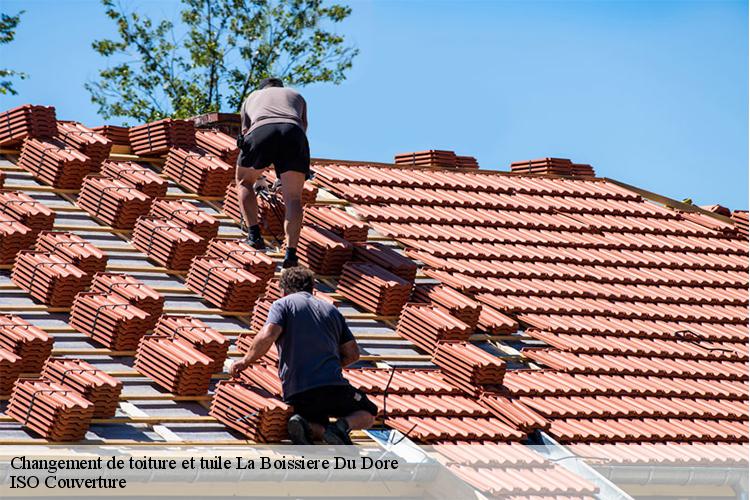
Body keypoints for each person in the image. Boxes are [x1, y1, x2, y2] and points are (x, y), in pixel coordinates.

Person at [230, 266, 377, 445]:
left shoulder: (282, 304)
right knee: (369, 413)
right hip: (333, 387)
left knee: (313, 419)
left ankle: (308, 426)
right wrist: (328, 364)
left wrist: (245, 361)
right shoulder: (331, 310)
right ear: (311, 288)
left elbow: (268, 335)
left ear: (284, 290)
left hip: (298, 391)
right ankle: (340, 426)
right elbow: (353, 354)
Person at [236, 77, 310, 269]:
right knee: (293, 198)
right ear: (280, 88)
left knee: (243, 182)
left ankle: (254, 236)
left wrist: (258, 176)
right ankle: (291, 254)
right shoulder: (296, 95)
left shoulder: (252, 98)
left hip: (262, 131)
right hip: (293, 132)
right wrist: (283, 173)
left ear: (263, 89)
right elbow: (303, 127)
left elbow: (245, 133)